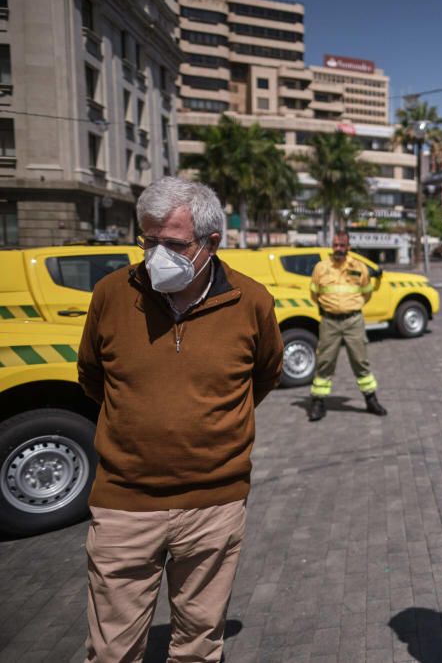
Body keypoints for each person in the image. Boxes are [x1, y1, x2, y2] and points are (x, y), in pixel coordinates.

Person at [77, 177, 284, 662]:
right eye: (147, 241)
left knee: (197, 647)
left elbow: (264, 376)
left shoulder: (251, 302)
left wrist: (209, 422)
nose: (155, 255)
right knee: (111, 651)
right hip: (124, 506)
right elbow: (92, 378)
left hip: (214, 507)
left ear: (211, 243)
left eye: (172, 244)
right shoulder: (111, 294)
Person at [307, 230, 387, 421]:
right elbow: (314, 294)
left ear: (348, 247)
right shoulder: (321, 268)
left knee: (360, 361)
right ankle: (318, 402)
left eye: (342, 245)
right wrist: (331, 308)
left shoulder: (359, 267)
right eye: (336, 245)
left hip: (353, 321)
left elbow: (367, 293)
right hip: (329, 321)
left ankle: (371, 400)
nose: (339, 249)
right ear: (332, 246)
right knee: (325, 362)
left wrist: (350, 307)